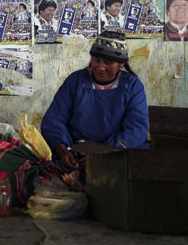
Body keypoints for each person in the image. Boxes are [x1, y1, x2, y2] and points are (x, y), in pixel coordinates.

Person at [41, 30, 149, 173]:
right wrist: (62, 149)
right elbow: (53, 120)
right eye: (96, 60)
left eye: (108, 62)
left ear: (121, 64)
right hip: (76, 152)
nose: (100, 67)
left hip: (115, 153)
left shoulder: (132, 86)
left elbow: (136, 129)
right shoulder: (76, 81)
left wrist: (105, 153)